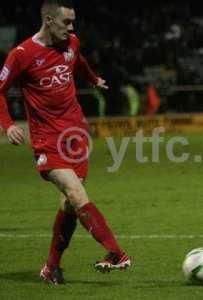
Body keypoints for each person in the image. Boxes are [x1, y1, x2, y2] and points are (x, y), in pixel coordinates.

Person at [0, 0, 131, 285]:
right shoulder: (21, 54)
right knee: (74, 192)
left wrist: (93, 79)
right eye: (66, 22)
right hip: (47, 141)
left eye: (73, 22)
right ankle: (116, 252)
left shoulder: (71, 42)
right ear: (48, 20)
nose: (72, 29)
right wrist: (8, 125)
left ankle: (51, 267)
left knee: (69, 204)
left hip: (76, 136)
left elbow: (78, 59)